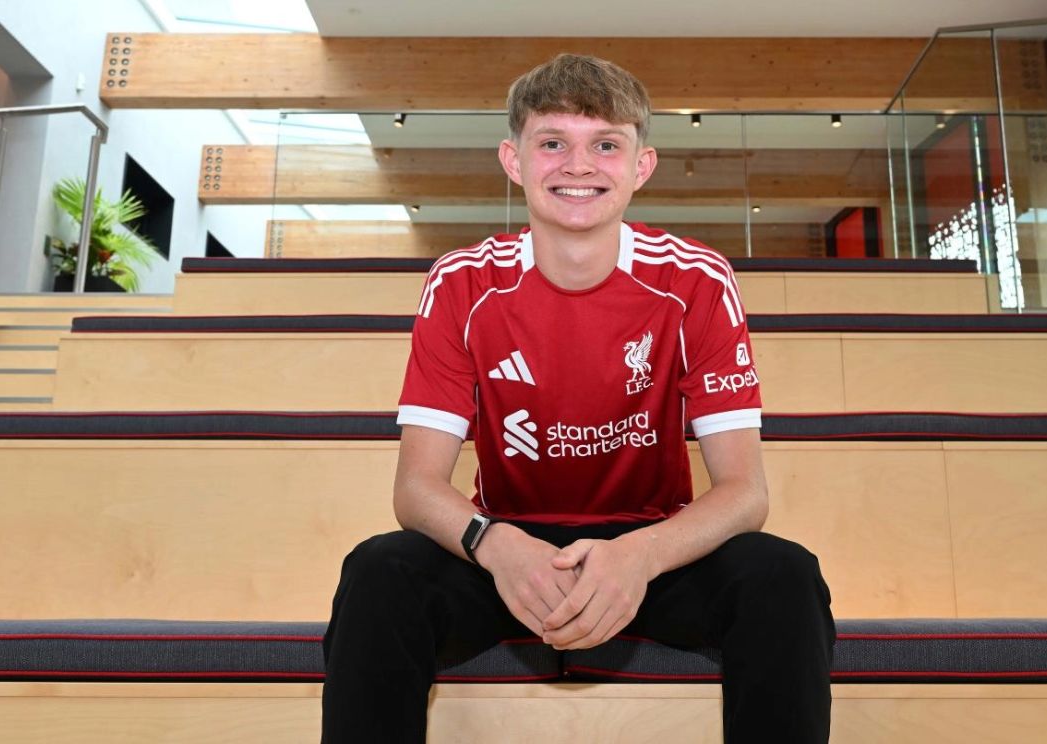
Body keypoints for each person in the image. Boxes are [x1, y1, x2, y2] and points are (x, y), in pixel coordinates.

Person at [321, 53, 835, 743]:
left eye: (606, 144)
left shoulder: (698, 282)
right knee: (378, 573)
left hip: (650, 552)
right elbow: (416, 488)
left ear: (641, 166)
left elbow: (745, 493)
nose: (578, 165)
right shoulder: (461, 284)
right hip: (506, 551)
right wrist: (499, 548)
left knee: (784, 578)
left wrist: (640, 558)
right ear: (514, 159)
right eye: (552, 142)